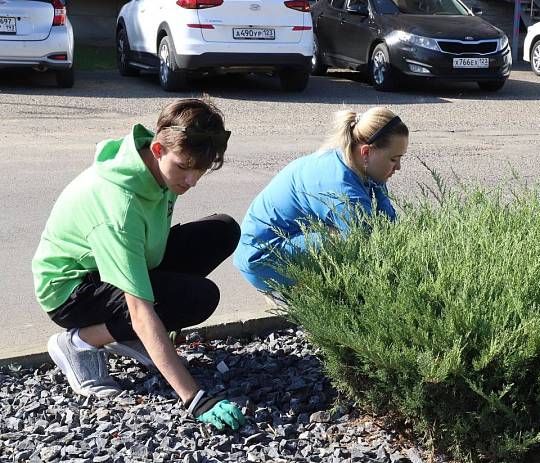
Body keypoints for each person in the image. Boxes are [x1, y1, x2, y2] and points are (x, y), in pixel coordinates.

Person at [32, 98, 244, 431]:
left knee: (222, 230)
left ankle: (123, 335)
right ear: (158, 149)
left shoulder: (159, 166)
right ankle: (81, 342)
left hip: (120, 263)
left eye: (199, 171)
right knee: (198, 298)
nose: (191, 181)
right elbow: (140, 311)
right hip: (71, 291)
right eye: (184, 167)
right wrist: (195, 398)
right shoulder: (119, 206)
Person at [234, 107, 408, 293]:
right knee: (345, 241)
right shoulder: (341, 189)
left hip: (276, 245)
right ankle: (289, 293)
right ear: (366, 152)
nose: (398, 167)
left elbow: (388, 227)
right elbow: (371, 247)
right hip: (262, 259)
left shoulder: (356, 163)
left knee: (349, 237)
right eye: (393, 159)